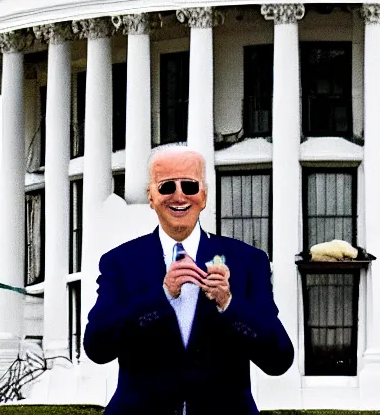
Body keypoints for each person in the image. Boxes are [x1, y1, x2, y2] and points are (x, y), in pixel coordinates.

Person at [83, 145, 294, 415]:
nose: (179, 196)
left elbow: (279, 358)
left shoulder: (247, 261)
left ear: (203, 196)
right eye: (167, 186)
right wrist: (161, 297)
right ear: (151, 196)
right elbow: (97, 347)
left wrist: (229, 304)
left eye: (190, 187)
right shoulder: (120, 262)